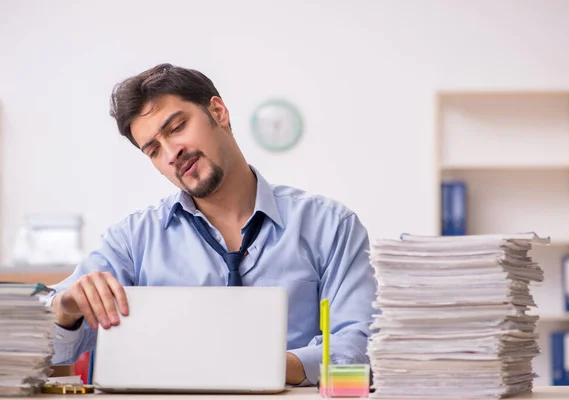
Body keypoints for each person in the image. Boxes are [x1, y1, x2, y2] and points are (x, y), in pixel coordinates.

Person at [43, 63, 376, 386]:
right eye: (154, 150)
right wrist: (66, 308)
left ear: (218, 111)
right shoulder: (131, 241)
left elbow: (361, 346)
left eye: (176, 128)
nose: (172, 153)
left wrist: (265, 365)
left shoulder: (331, 227)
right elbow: (50, 350)